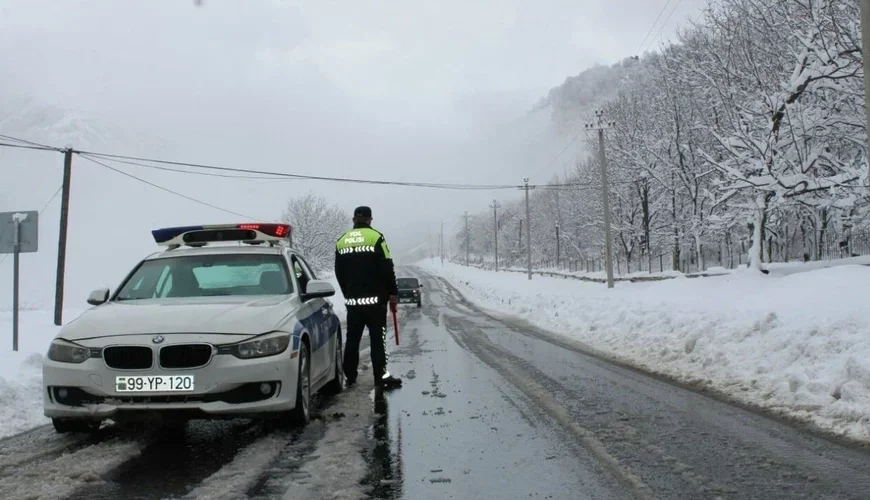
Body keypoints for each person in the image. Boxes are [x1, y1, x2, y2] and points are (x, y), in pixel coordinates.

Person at [334, 206, 402, 389]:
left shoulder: (342, 240)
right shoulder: (377, 238)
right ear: (370, 219)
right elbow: (387, 267)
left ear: (353, 219)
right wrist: (393, 293)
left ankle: (350, 376)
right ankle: (380, 377)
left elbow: (338, 272)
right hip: (375, 301)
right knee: (377, 339)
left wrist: (347, 293)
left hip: (353, 301)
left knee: (353, 339)